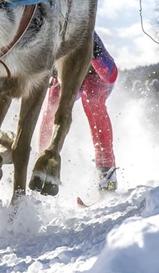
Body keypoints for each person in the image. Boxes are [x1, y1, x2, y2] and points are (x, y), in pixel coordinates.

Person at [38, 32, 119, 191]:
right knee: (51, 110)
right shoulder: (53, 33)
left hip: (96, 77)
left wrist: (94, 52)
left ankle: (106, 170)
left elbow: (111, 76)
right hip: (69, 77)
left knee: (91, 99)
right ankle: (41, 164)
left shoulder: (88, 34)